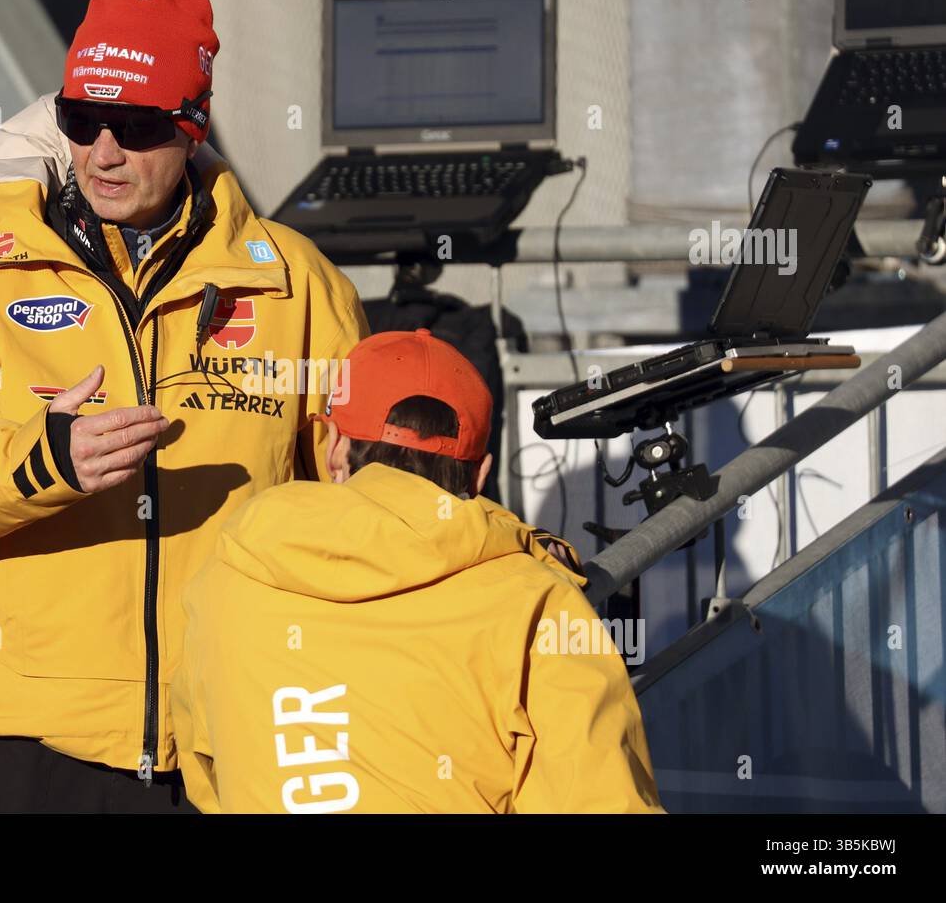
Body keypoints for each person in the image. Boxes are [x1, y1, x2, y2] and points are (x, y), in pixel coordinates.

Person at [0, 0, 368, 812]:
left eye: (132, 126)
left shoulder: (296, 284)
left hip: (232, 732)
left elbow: (362, 496)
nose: (102, 152)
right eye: (81, 120)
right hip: (21, 740)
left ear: (191, 127)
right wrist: (39, 462)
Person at [171, 329, 664, 813]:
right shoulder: (532, 602)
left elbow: (205, 769)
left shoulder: (230, 571)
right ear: (481, 472)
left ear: (336, 445)